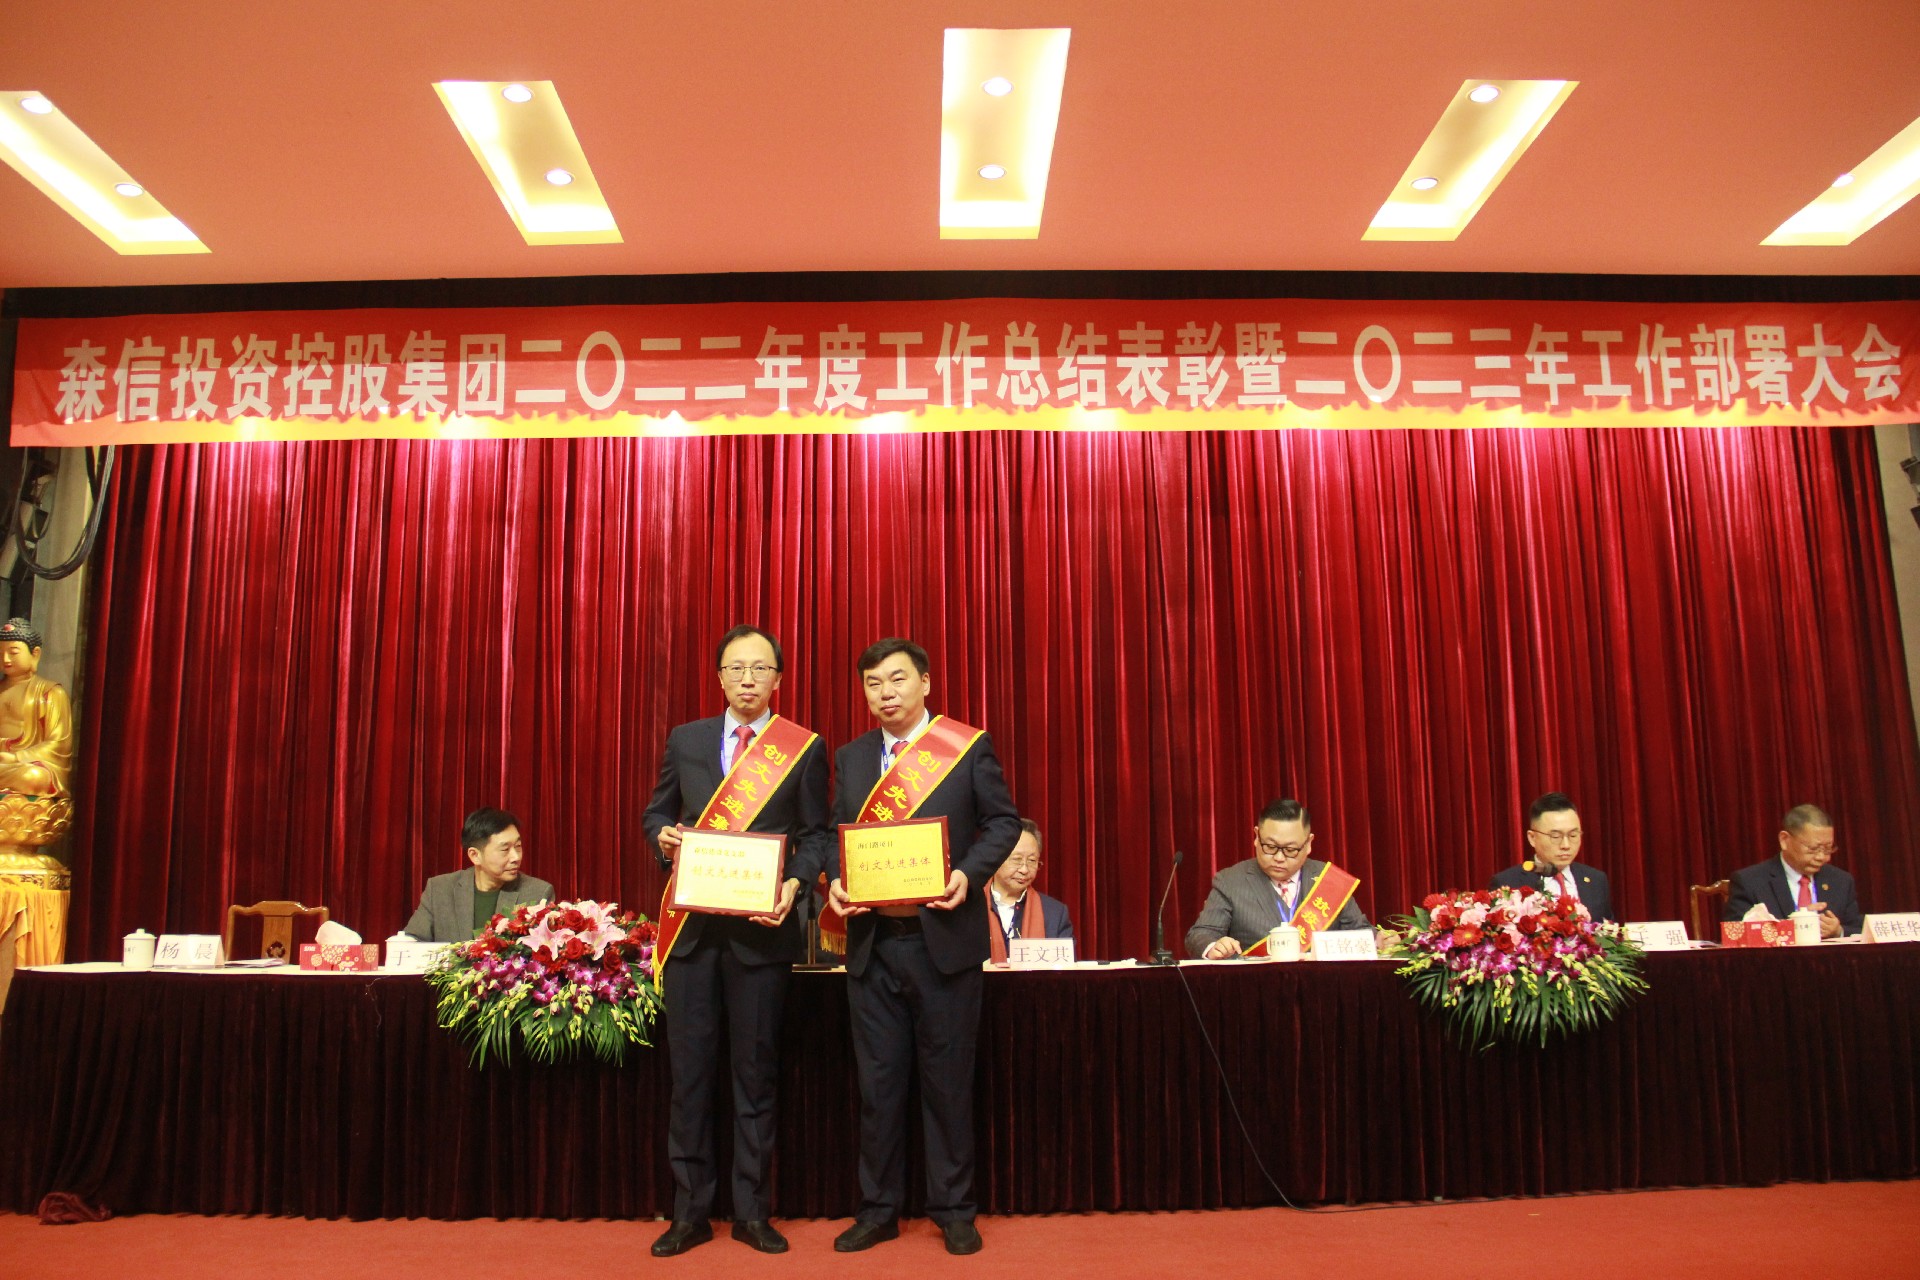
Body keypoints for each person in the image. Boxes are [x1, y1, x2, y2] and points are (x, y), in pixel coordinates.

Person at [642, 625, 832, 1257]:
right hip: (693, 937)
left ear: (778, 678)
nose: (747, 678)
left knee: (756, 1078)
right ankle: (689, 1214)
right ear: (719, 676)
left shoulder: (802, 748)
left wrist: (795, 885)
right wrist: (662, 836)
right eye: (736, 668)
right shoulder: (686, 739)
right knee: (690, 1079)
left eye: (760, 668)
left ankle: (752, 1213)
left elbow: (816, 835)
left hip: (761, 937)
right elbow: (656, 812)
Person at [826, 638, 1021, 1256]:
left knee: (947, 1085)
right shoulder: (853, 757)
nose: (886, 693)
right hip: (874, 945)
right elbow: (834, 836)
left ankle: (954, 1210)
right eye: (873, 683)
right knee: (878, 1089)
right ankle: (878, 1210)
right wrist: (835, 880)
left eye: (897, 679)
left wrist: (969, 873)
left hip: (943, 945)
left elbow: (1003, 822)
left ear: (925, 682)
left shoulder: (964, 747)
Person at [1186, 798, 1369, 959]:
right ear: (1257, 836)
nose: (1279, 858)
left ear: (1308, 843)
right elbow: (1201, 934)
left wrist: (1379, 939)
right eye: (1270, 847)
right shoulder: (1230, 881)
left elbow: (1362, 934)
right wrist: (1214, 947)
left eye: (1290, 850)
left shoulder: (1329, 880)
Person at [402, 807, 554, 941]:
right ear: (475, 855)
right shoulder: (439, 890)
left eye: (518, 846)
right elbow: (412, 943)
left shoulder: (538, 893)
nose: (516, 857)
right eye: (505, 849)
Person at [1724, 803, 1863, 938]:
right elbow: (1735, 934)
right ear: (1785, 840)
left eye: (1827, 849)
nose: (1822, 857)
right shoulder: (1750, 882)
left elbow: (1858, 929)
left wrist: (1838, 931)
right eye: (1813, 849)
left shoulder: (1841, 881)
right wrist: (1796, 926)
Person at [1489, 791, 1616, 922]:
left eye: (1573, 835)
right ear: (1532, 838)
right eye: (1555, 836)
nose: (1566, 845)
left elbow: (1608, 930)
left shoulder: (1596, 880)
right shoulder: (1508, 883)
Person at [987, 819, 1074, 960]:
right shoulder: (968, 907)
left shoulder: (1055, 914)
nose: (1024, 869)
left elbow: (1065, 968)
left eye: (1032, 861)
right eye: (1017, 859)